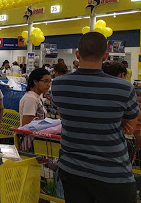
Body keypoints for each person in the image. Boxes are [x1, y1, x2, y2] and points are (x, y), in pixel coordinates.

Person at [52, 32, 138, 203]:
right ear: (105, 56)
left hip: (72, 169)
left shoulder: (58, 85)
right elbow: (131, 126)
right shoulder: (124, 88)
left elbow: (64, 115)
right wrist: (113, 118)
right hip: (112, 172)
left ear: (77, 54)